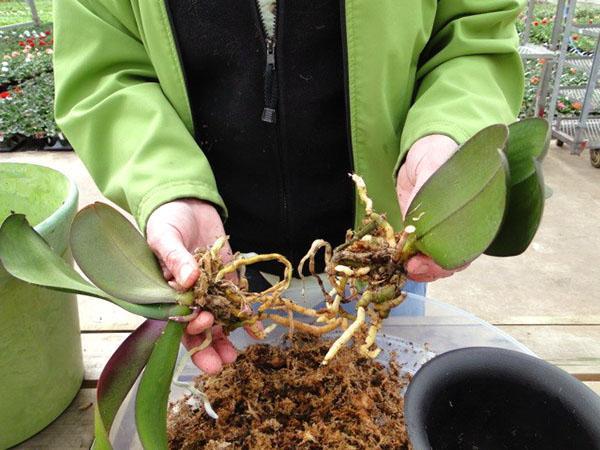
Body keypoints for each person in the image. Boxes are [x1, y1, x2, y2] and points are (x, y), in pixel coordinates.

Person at [54, 0, 525, 374]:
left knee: (379, 369)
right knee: (219, 383)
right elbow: (105, 74)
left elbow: (472, 36)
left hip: (381, 256)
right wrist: (167, 186)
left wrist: (445, 140)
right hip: (211, 267)